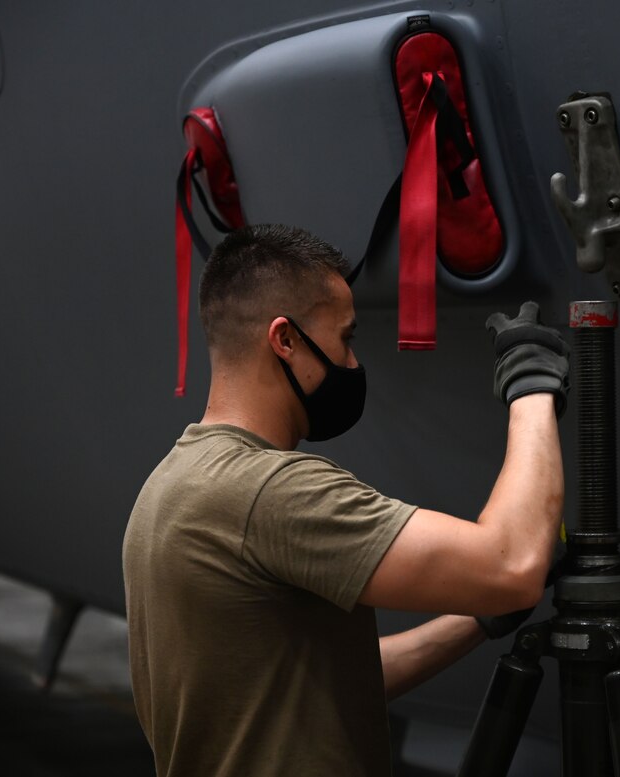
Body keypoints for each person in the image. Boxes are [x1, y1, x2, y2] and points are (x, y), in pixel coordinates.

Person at [122, 223, 569, 777]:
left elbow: (323, 685)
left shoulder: (172, 483)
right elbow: (512, 563)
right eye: (346, 338)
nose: (352, 365)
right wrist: (531, 385)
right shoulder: (270, 493)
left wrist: (479, 620)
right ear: (284, 340)